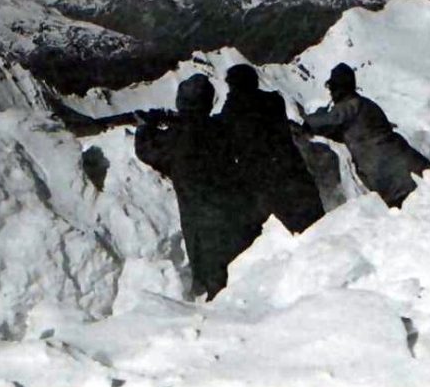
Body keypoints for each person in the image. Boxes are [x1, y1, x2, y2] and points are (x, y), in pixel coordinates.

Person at [135, 74, 258, 300]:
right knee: (242, 273)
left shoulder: (176, 136)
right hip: (235, 210)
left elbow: (147, 151)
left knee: (215, 280)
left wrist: (145, 127)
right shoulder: (220, 127)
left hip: (201, 218)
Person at [300, 63, 430, 208]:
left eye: (332, 87)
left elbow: (325, 121)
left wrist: (307, 121)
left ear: (338, 89)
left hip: (389, 174)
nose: (330, 92)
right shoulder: (367, 104)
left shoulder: (350, 107)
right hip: (410, 162)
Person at [219, 64, 325, 233]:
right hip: (293, 173)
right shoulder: (274, 101)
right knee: (318, 227)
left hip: (266, 185)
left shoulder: (231, 112)